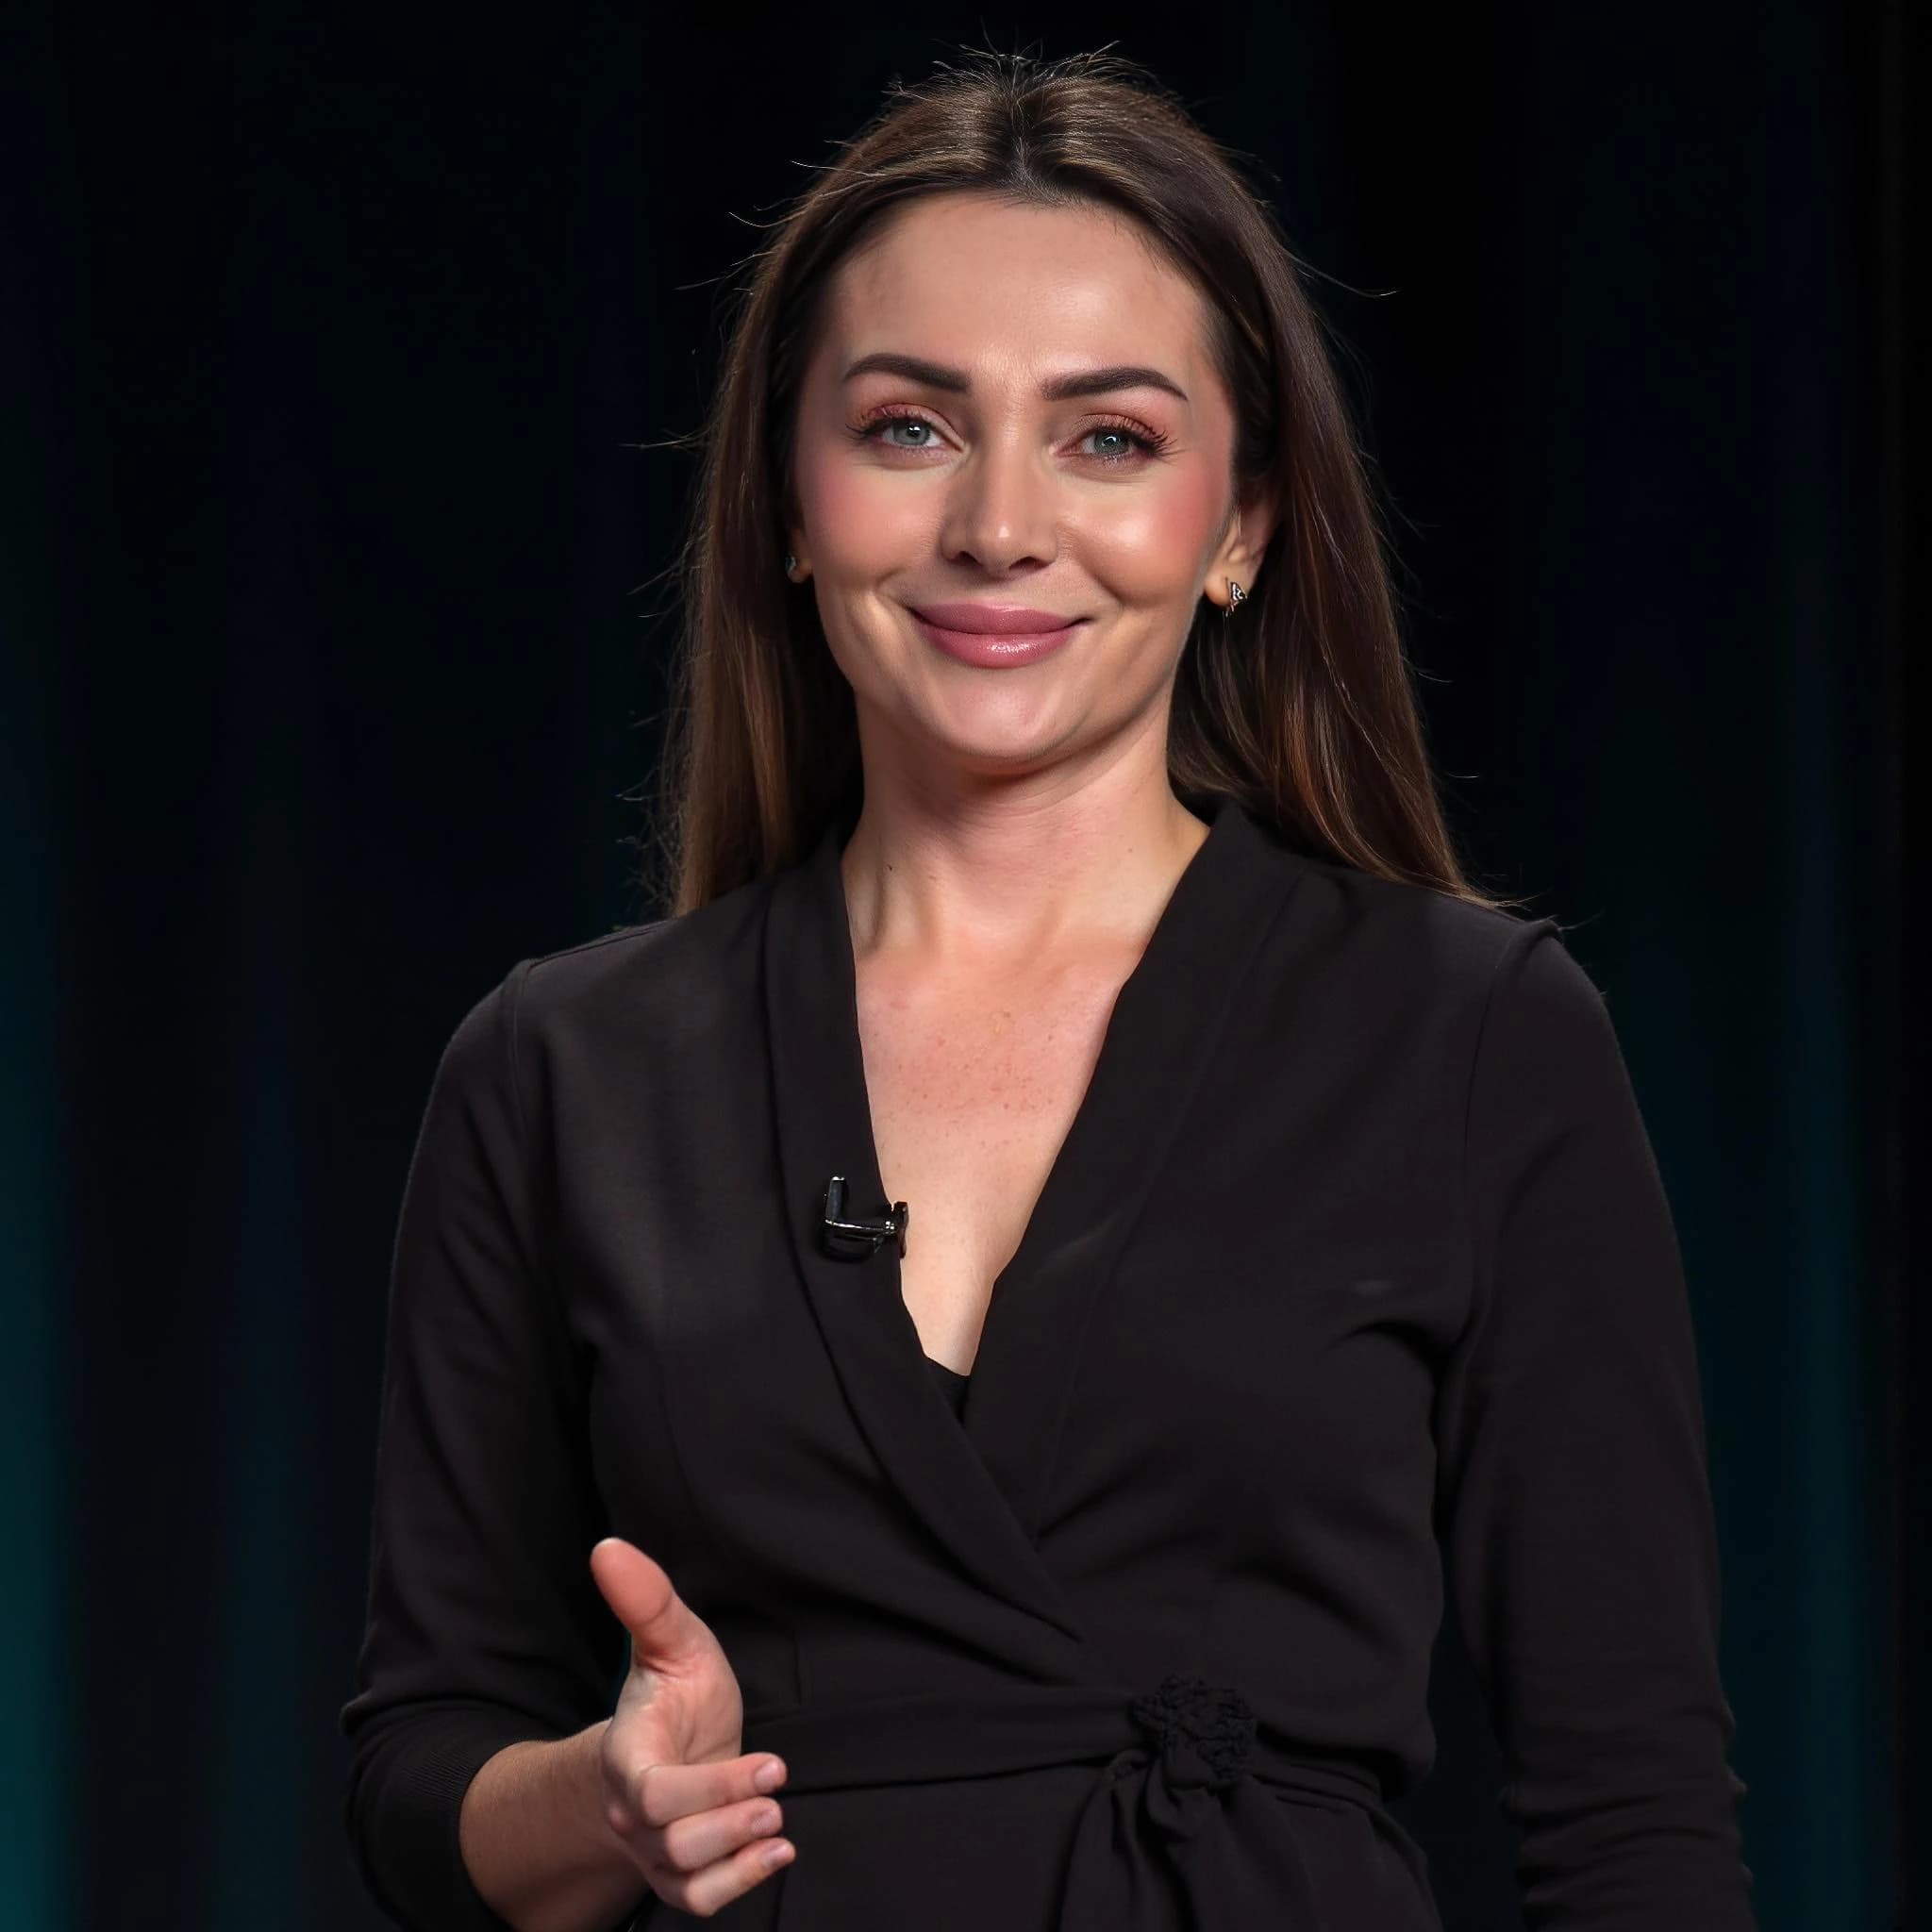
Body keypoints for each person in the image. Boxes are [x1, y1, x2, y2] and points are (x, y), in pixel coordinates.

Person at [339, 47, 1757, 1932]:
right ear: (784, 499)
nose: (1000, 525)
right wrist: (598, 1806)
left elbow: (1632, 1817)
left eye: (1109, 437)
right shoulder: (560, 1066)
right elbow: (419, 1760)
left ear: (1241, 524)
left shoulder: (1474, 1034)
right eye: (910, 427)